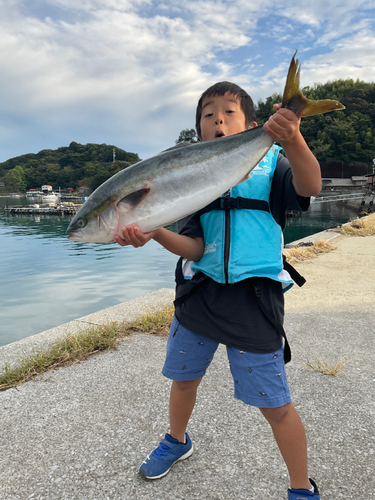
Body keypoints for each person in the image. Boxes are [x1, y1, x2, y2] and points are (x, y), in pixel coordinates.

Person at [114, 81, 322, 499]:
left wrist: (293, 136)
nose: (218, 121)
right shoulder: (196, 181)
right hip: (200, 299)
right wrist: (154, 234)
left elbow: (311, 185)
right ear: (199, 132)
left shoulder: (273, 164)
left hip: (253, 303)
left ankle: (301, 487)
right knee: (184, 379)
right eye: (208, 116)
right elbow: (194, 246)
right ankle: (177, 440)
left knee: (276, 405)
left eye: (228, 112)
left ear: (251, 124)